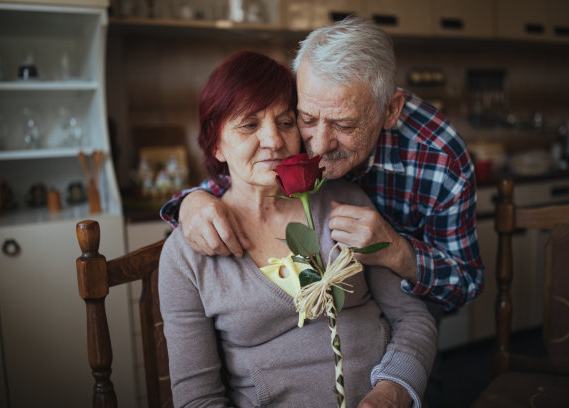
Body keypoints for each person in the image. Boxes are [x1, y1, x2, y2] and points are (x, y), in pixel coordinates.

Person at [159, 50, 437, 408]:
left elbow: (412, 317)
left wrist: (392, 391)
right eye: (249, 124)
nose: (274, 140)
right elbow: (198, 400)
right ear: (216, 144)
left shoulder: (347, 204)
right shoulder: (186, 255)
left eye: (286, 122)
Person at [160, 16, 485, 314]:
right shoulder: (290, 125)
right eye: (305, 119)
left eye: (344, 126)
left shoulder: (441, 159)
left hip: (412, 305)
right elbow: (245, 174)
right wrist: (191, 202)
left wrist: (397, 252)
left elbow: (466, 282)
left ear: (389, 111)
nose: (318, 144)